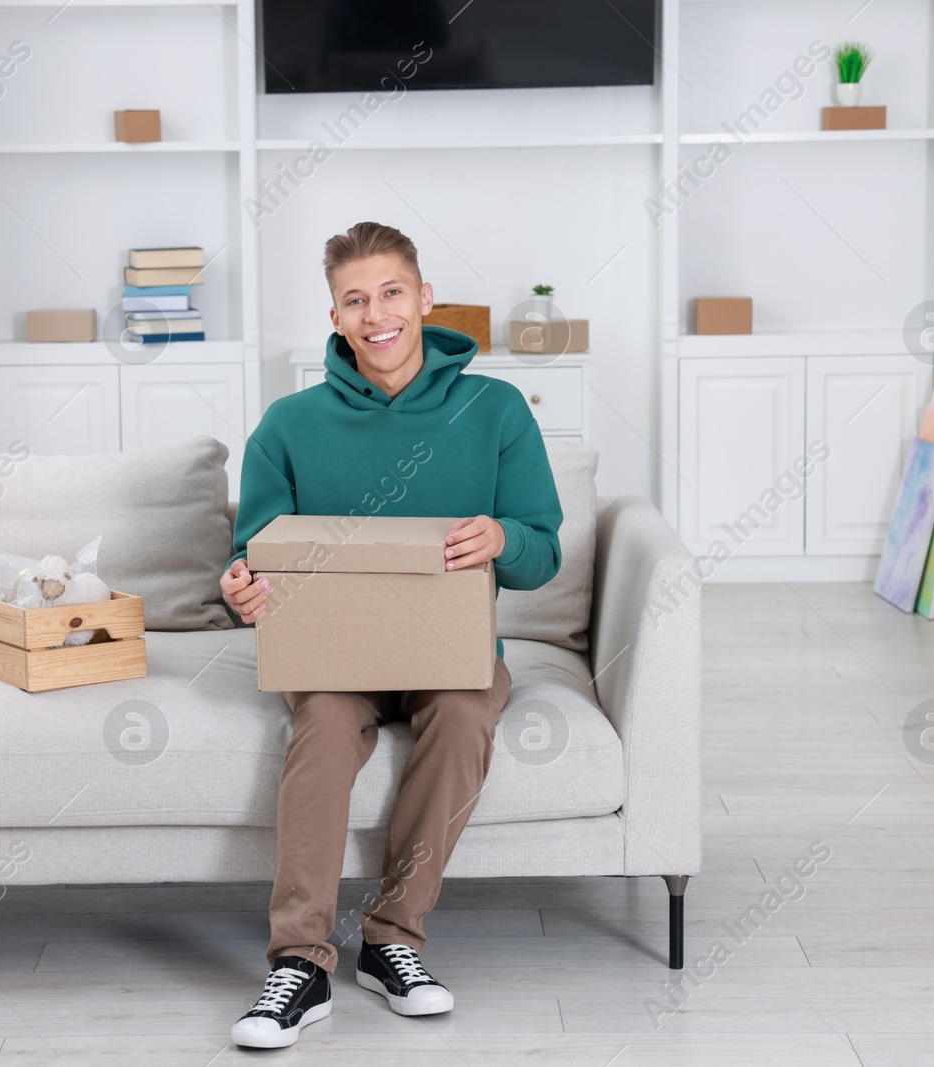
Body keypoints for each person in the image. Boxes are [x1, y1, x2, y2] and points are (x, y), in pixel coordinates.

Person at [219, 221, 563, 1048]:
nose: (377, 314)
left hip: (449, 649)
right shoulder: (289, 423)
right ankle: (299, 963)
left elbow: (542, 550)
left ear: (425, 298)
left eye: (391, 292)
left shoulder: (496, 408)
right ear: (334, 317)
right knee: (327, 722)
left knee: (467, 702)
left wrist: (505, 540)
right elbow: (252, 556)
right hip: (333, 652)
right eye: (355, 299)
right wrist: (242, 584)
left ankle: (390, 939)